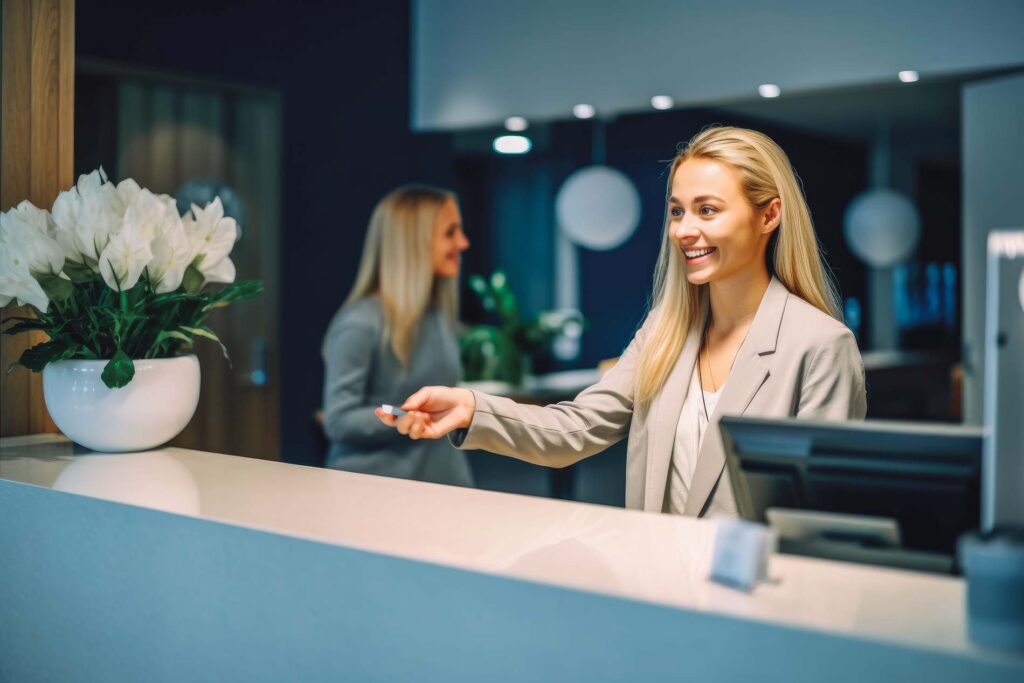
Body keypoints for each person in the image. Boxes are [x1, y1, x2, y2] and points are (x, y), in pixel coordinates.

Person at [376, 126, 867, 516]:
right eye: (677, 211)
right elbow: (575, 429)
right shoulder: (665, 330)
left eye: (708, 210)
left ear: (769, 216)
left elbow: (823, 514)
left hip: (756, 610)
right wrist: (472, 408)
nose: (684, 230)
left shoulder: (821, 345)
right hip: (657, 592)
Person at [322, 185, 474, 486]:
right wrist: (402, 415)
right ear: (413, 241)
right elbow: (339, 420)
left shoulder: (437, 317)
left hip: (443, 492)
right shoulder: (360, 324)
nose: (463, 243)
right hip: (378, 498)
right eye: (450, 232)